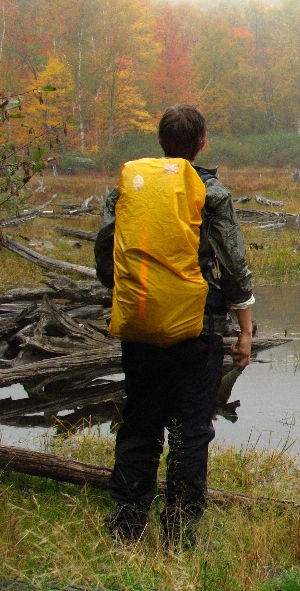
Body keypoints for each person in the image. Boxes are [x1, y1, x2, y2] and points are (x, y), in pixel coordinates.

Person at [95, 104, 254, 545]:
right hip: (197, 329)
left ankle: (127, 523)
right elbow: (234, 267)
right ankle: (180, 532)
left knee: (141, 421)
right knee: (191, 429)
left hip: (141, 323)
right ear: (202, 143)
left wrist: (133, 296)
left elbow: (107, 259)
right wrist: (245, 329)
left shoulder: (128, 189)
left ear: (161, 142)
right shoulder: (213, 193)